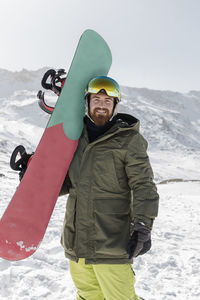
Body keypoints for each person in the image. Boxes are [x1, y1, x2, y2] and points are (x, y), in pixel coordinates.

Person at [60, 75, 159, 300]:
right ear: (87, 103)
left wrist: (143, 225)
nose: (102, 105)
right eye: (96, 99)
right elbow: (66, 183)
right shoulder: (76, 138)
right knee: (87, 296)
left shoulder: (129, 140)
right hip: (77, 243)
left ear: (115, 106)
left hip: (111, 243)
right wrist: (34, 175)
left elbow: (144, 185)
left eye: (108, 101)